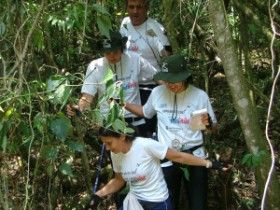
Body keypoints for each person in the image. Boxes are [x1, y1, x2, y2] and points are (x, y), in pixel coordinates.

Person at [124, 54, 219, 210]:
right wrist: (122, 103)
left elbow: (214, 129)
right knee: (168, 204)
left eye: (175, 81)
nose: (171, 85)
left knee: (198, 204)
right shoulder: (157, 93)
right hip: (166, 157)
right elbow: (144, 112)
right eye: (168, 81)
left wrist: (209, 124)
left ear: (185, 77)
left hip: (194, 156)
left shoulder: (199, 95)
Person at [92, 126, 225, 210]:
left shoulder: (145, 145)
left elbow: (178, 156)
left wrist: (209, 163)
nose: (107, 148)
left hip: (158, 203)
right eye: (104, 144)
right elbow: (119, 180)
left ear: (122, 136)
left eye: (109, 143)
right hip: (136, 202)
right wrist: (98, 195)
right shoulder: (116, 154)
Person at [66, 30, 157, 134]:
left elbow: (157, 77)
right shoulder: (95, 66)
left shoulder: (135, 59)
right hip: (109, 123)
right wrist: (79, 108)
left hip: (135, 121)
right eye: (108, 52)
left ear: (122, 49)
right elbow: (87, 97)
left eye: (115, 52)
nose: (112, 56)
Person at [120, 0, 172, 137]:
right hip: (129, 85)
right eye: (131, 7)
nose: (135, 11)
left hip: (150, 86)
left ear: (146, 7)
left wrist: (168, 84)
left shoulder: (155, 29)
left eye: (139, 7)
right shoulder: (124, 24)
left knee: (146, 132)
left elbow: (167, 57)